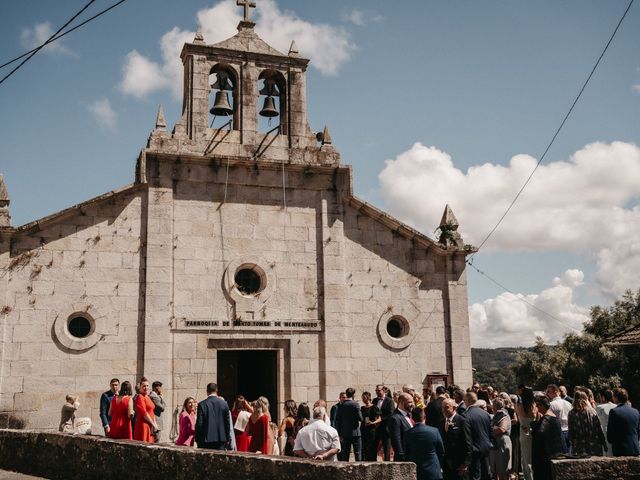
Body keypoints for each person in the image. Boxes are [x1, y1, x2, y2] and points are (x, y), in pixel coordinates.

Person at [404, 407, 444, 480]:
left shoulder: (408, 434)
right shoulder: (434, 431)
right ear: (424, 417)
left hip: (416, 471)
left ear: (412, 418)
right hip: (433, 469)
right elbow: (441, 451)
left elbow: (406, 452)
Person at [461, 391, 492, 480]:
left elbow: (467, 437)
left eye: (465, 400)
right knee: (486, 475)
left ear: (468, 400)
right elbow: (490, 431)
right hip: (486, 448)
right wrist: (490, 444)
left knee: (475, 476)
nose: (464, 402)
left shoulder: (466, 416)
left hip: (474, 451)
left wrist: (467, 457)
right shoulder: (485, 413)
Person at [531, 396, 563, 480]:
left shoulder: (547, 418)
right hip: (552, 453)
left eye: (537, 406)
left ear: (541, 406)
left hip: (545, 456)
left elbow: (540, 433)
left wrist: (535, 421)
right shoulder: (552, 417)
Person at [568, 390, 606, 456]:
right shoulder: (592, 411)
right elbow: (599, 428)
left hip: (579, 446)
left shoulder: (571, 413)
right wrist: (604, 443)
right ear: (586, 399)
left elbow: (571, 432)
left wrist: (572, 444)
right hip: (594, 445)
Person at [195, 382, 230, 450]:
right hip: (221, 439)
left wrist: (197, 439)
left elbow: (199, 424)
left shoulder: (202, 404)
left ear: (207, 392)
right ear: (217, 391)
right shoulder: (224, 404)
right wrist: (227, 438)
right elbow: (227, 423)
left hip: (205, 440)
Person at [607, 387, 640, 456]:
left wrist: (612, 442)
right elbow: (638, 431)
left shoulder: (614, 411)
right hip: (634, 448)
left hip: (620, 449)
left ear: (616, 398)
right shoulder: (635, 411)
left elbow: (610, 433)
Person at [439, 398, 467, 480]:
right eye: (442, 407)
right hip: (445, 462)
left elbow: (467, 442)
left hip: (458, 462)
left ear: (454, 408)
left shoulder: (462, 421)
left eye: (446, 407)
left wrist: (465, 463)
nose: (443, 410)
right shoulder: (441, 422)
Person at [335, 387, 363, 461]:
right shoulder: (355, 404)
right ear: (353, 394)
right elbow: (361, 418)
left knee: (345, 453)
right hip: (355, 432)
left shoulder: (341, 405)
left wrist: (339, 433)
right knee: (357, 453)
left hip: (345, 432)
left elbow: (338, 421)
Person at [389, 392, 415, 461]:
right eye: (410, 402)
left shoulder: (409, 415)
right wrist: (402, 458)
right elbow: (396, 440)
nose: (413, 405)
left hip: (412, 456)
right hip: (404, 459)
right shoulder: (395, 418)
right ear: (402, 403)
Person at [489, 398, 512, 480]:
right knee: (497, 469)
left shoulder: (504, 415)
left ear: (496, 406)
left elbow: (501, 429)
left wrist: (490, 429)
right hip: (496, 444)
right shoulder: (495, 416)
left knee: (504, 469)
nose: (492, 407)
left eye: (493, 405)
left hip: (502, 443)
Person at [515, 387, 535, 480]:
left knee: (525, 456)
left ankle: (528, 477)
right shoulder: (534, 406)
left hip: (523, 430)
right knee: (533, 455)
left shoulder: (519, 406)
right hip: (533, 431)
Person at [545, 384, 571, 453]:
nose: (547, 394)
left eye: (548, 392)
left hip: (558, 432)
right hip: (568, 430)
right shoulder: (568, 403)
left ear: (556, 392)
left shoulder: (551, 404)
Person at [133, 377, 158, 443]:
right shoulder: (140, 397)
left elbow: (152, 411)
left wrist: (155, 424)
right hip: (143, 425)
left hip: (149, 425)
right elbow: (144, 413)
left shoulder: (147, 397)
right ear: (140, 387)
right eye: (144, 386)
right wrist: (153, 424)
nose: (146, 387)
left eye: (147, 386)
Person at [374, 383, 395, 461]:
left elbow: (391, 414)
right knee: (374, 447)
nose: (377, 392)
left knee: (387, 449)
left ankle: (387, 464)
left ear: (384, 391)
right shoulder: (375, 400)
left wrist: (381, 419)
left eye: (379, 390)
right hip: (376, 428)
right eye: (376, 390)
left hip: (386, 428)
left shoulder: (389, 401)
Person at [360, 391, 381, 461]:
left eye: (364, 398)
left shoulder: (374, 407)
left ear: (368, 398)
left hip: (371, 430)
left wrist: (372, 422)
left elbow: (379, 419)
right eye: (362, 398)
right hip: (363, 430)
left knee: (371, 447)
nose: (363, 399)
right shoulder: (362, 408)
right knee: (364, 448)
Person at [596, 389, 616, 456]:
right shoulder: (616, 406)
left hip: (604, 432)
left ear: (603, 397)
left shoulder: (600, 407)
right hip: (615, 432)